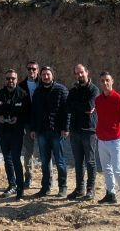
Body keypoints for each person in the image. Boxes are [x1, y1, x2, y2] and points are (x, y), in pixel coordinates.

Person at [29, 65, 71, 197]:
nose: (46, 77)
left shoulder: (62, 90)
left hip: (57, 132)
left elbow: (67, 111)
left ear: (53, 75)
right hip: (42, 132)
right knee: (45, 161)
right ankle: (45, 188)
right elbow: (34, 113)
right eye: (43, 75)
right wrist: (33, 129)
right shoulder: (38, 91)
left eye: (48, 74)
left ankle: (62, 187)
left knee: (60, 161)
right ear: (40, 77)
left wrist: (66, 128)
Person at [92, 71, 120, 205]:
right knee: (106, 169)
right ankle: (110, 194)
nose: (105, 83)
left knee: (117, 168)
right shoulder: (98, 100)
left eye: (107, 80)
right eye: (102, 81)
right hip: (102, 140)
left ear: (112, 81)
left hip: (115, 141)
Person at [0, 69, 32, 198]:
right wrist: (0, 117)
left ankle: (20, 189)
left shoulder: (23, 95)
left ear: (17, 79)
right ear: (5, 80)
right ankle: (12, 185)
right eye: (8, 78)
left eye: (13, 78)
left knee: (15, 159)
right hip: (3, 133)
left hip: (17, 133)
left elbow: (28, 114)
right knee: (7, 160)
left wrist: (17, 119)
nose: (10, 81)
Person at [62, 63, 99, 200]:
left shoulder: (94, 90)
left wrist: (76, 106)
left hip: (89, 130)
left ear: (87, 72)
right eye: (77, 73)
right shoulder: (73, 90)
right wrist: (80, 107)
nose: (79, 75)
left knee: (90, 161)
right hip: (75, 130)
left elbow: (89, 107)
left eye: (81, 72)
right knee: (78, 162)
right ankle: (79, 189)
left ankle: (91, 189)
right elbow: (67, 108)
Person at [20, 59, 41, 182]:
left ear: (37, 70)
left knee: (45, 151)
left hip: (43, 123)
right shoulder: (21, 86)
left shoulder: (43, 84)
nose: (31, 71)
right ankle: (28, 176)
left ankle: (47, 179)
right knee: (28, 152)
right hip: (27, 123)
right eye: (29, 69)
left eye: (34, 69)